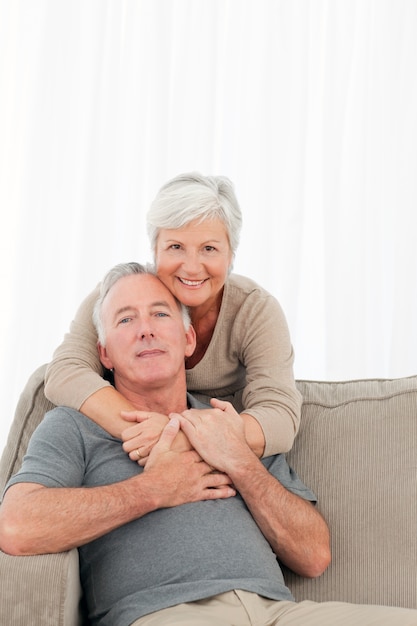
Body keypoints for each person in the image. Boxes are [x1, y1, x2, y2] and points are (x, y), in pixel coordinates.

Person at [2, 262, 417, 625]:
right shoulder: (74, 426)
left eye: (160, 314)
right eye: (126, 320)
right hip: (168, 614)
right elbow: (15, 525)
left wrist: (240, 462)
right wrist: (154, 490)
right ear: (104, 353)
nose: (145, 329)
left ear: (187, 340)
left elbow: (312, 555)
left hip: (278, 614)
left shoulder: (232, 425)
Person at [44, 172, 301, 461]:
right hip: (132, 427)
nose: (192, 268)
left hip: (217, 427)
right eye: (176, 247)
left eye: (209, 249)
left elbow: (278, 417)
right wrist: (150, 432)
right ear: (155, 251)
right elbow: (64, 372)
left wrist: (178, 437)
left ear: (231, 256)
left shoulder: (255, 310)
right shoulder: (118, 294)